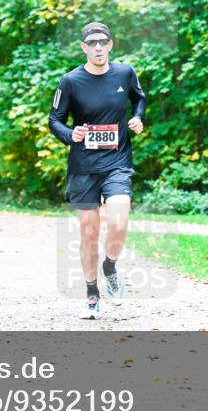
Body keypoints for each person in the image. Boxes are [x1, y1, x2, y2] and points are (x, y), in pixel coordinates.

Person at [49, 22, 146, 319]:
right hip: (83, 167)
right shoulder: (70, 81)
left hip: (117, 161)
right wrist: (70, 134)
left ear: (111, 44)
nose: (98, 47)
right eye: (92, 43)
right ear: (84, 47)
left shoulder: (125, 73)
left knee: (118, 222)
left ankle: (110, 266)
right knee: (89, 232)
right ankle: (92, 292)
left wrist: (137, 118)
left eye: (103, 42)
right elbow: (55, 119)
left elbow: (139, 98)